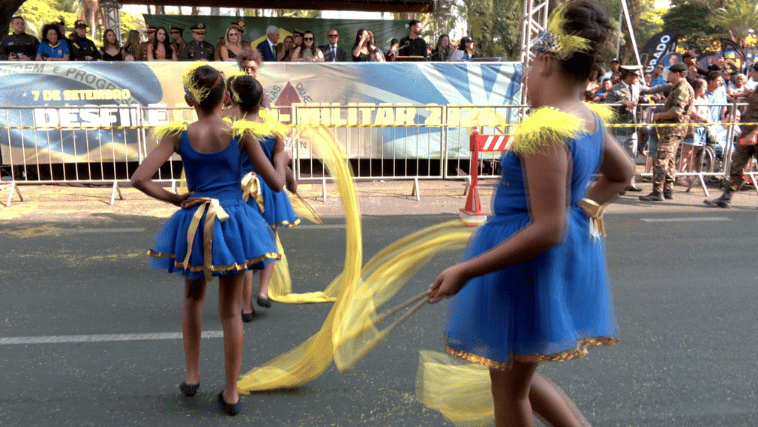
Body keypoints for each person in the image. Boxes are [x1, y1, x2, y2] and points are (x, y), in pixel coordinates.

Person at [426, 3, 633, 427]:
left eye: (529, 64)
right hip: (535, 262)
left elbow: (548, 229)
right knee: (517, 374)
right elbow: (622, 173)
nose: (525, 76)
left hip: (523, 264)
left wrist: (467, 269)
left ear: (545, 62)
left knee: (509, 387)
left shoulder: (545, 128)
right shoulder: (588, 118)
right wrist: (586, 207)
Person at [130, 64, 288, 416]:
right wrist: (280, 154)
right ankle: (231, 392)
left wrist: (175, 199)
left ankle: (192, 374)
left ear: (189, 98)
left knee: (192, 296)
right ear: (227, 97)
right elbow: (276, 183)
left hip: (194, 220)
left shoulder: (178, 135)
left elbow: (139, 178)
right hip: (233, 222)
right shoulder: (240, 132)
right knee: (231, 311)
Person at [224, 74, 299, 320]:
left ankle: (246, 307)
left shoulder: (228, 124)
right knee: (270, 240)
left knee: (246, 248)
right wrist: (291, 182)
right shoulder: (272, 127)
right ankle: (263, 291)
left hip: (241, 189)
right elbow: (280, 162)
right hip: (268, 186)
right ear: (262, 100)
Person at [639, 62, 694, 202]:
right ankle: (668, 189)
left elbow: (676, 112)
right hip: (673, 129)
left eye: (669, 73)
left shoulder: (682, 89)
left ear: (677, 74)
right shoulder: (679, 87)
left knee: (660, 158)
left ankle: (657, 191)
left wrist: (659, 116)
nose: (667, 76)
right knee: (669, 160)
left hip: (673, 129)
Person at [679, 78, 709, 186]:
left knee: (694, 154)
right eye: (703, 86)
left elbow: (707, 111)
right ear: (697, 87)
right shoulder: (690, 98)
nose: (705, 89)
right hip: (691, 128)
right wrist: (704, 119)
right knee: (686, 153)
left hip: (700, 129)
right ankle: (681, 176)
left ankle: (689, 175)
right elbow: (692, 112)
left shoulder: (704, 99)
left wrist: (707, 121)